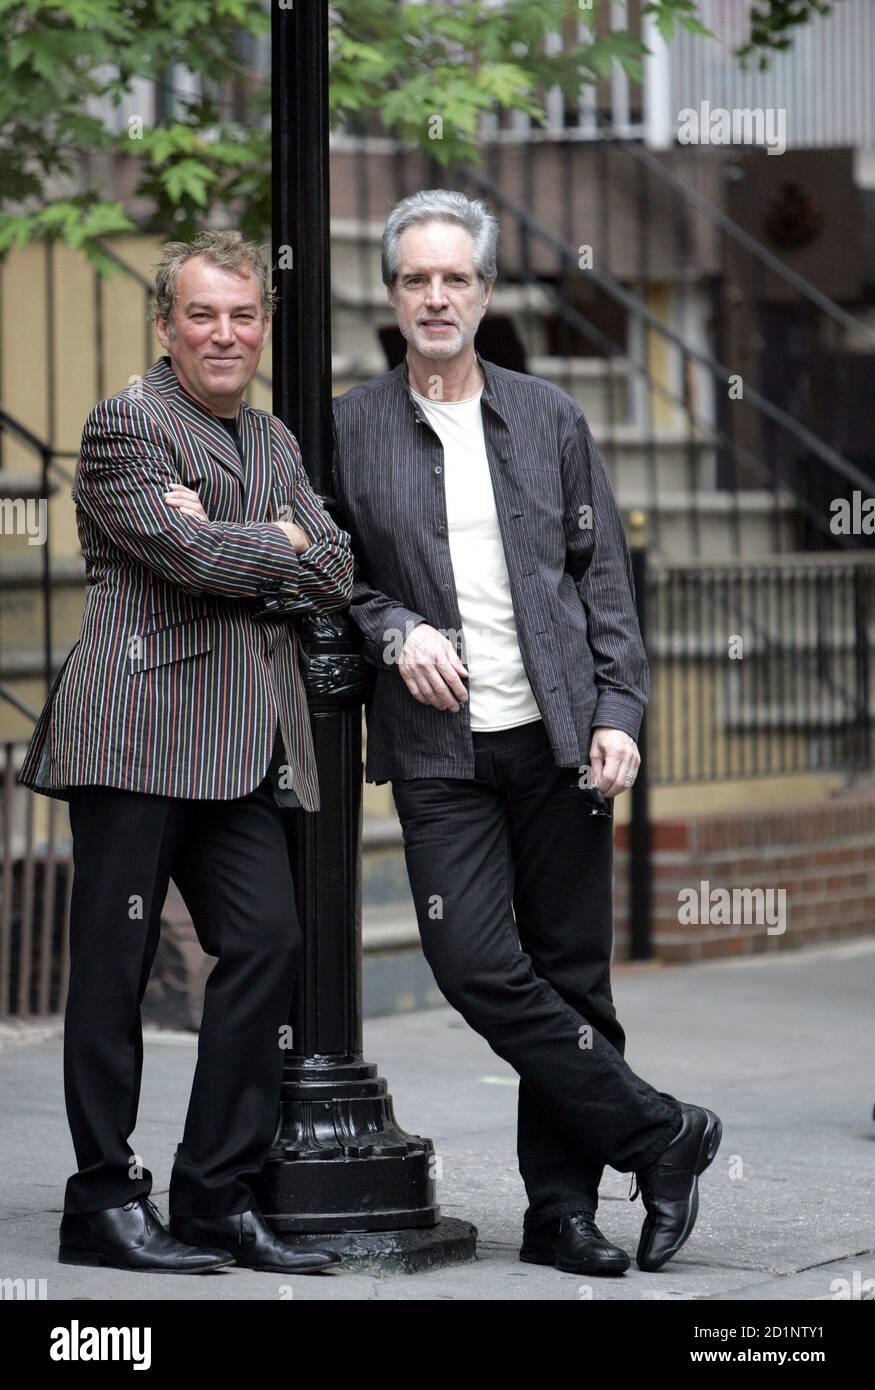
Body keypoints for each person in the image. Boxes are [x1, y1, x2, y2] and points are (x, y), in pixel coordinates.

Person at [332, 190, 722, 1276]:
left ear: (485, 292)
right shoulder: (349, 424)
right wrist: (391, 625)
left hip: (557, 742)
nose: (435, 296)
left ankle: (560, 1213)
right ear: (392, 293)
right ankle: (661, 1132)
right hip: (437, 747)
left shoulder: (548, 415)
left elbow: (601, 581)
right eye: (416, 278)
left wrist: (616, 713)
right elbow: (329, 575)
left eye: (455, 278)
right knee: (471, 962)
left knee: (572, 978)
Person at [17, 231, 352, 1275]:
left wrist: (269, 548)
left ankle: (213, 1192)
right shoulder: (128, 424)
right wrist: (276, 547)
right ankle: (102, 1199)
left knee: (267, 946)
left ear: (262, 324)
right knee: (114, 974)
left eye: (242, 314)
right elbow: (189, 552)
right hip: (136, 734)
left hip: (244, 744)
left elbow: (335, 565)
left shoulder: (276, 440)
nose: (224, 332)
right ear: (166, 325)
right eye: (202, 313)